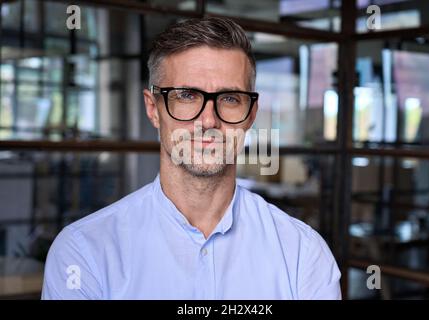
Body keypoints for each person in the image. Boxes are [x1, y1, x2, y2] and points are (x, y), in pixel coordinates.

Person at [41, 17, 341, 300]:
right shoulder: (84, 253)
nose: (208, 120)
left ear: (251, 114)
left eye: (230, 99)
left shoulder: (303, 254)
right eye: (186, 96)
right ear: (152, 108)